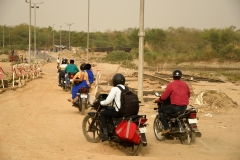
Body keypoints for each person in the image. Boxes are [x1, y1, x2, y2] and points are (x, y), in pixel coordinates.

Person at [154, 70, 190, 135]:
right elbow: (188, 95)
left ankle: (166, 128)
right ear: (180, 76)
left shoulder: (171, 85)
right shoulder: (185, 84)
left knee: (161, 111)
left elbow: (164, 97)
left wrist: (158, 100)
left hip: (175, 107)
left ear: (173, 76)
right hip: (184, 107)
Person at [98, 73, 125, 141]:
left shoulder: (115, 89)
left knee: (103, 113)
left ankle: (105, 134)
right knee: (111, 109)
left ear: (115, 81)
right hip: (126, 111)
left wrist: (101, 102)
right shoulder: (126, 88)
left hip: (119, 112)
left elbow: (108, 101)